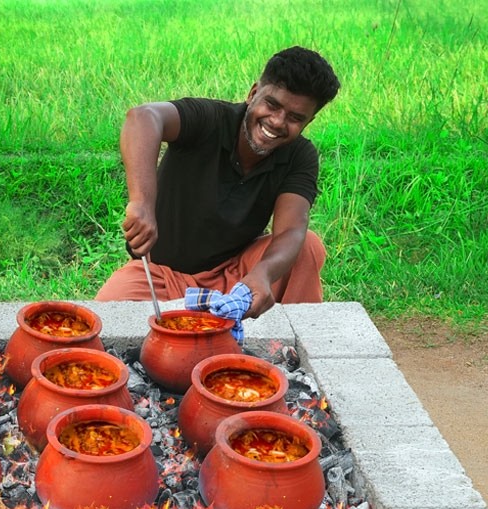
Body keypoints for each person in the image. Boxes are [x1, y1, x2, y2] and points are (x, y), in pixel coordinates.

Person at [95, 46, 341, 319]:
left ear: (309, 121)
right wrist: (141, 203)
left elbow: (291, 231)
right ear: (252, 93)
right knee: (106, 320)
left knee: (307, 245)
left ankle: (292, 342)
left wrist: (262, 274)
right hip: (159, 278)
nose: (277, 121)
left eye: (295, 118)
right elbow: (143, 117)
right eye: (272, 105)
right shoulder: (210, 119)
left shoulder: (299, 156)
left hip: (235, 279)